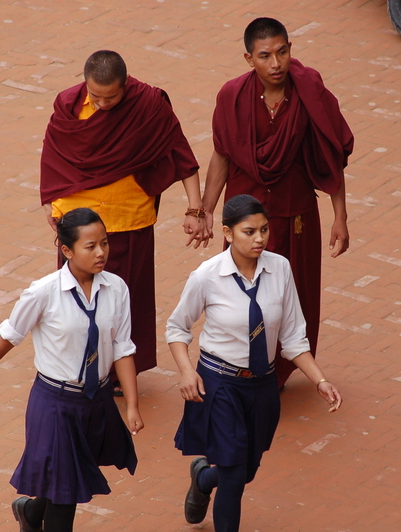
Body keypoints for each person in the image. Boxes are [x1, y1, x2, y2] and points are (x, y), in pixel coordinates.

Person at [0, 208, 144, 532]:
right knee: (65, 496)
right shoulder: (43, 293)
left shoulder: (117, 289)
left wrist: (131, 405)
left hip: (96, 401)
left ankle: (31, 513)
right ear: (67, 251)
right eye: (91, 246)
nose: (102, 252)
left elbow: (122, 348)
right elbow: (8, 338)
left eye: (105, 243)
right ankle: (38, 517)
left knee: (64, 482)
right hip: (55, 405)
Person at [166, 195, 342, 532]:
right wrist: (187, 371)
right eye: (249, 231)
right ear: (228, 234)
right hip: (219, 384)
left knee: (246, 470)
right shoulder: (207, 275)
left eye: (264, 230)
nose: (260, 238)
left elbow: (293, 338)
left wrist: (321, 380)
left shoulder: (280, 269)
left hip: (262, 385)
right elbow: (176, 327)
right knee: (233, 476)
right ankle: (216, 484)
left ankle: (203, 478)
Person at [40, 50, 211, 389]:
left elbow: (178, 152)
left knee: (124, 299)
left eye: (112, 97)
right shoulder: (68, 104)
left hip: (127, 217)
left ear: (126, 85)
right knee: (76, 296)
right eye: (96, 96)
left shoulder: (147, 104)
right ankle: (74, 362)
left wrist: (195, 208)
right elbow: (54, 152)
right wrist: (50, 200)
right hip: (78, 218)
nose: (103, 104)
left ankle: (120, 372)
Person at [201, 18, 354, 389]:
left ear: (290, 49)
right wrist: (203, 211)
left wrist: (340, 217)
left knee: (293, 292)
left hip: (294, 210)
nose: (276, 64)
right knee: (239, 289)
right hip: (243, 215)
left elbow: (330, 155)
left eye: (282, 52)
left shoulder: (309, 92)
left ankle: (279, 371)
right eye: (265, 56)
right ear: (248, 58)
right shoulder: (232, 96)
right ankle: (240, 364)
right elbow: (222, 155)